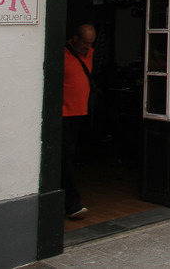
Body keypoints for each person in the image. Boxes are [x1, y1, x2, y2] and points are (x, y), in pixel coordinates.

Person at [63, 23, 96, 219]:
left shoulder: (90, 53)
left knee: (72, 155)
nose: (87, 47)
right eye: (84, 42)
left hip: (80, 113)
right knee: (65, 157)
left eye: (91, 43)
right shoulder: (62, 54)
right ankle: (72, 203)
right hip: (63, 114)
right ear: (75, 39)